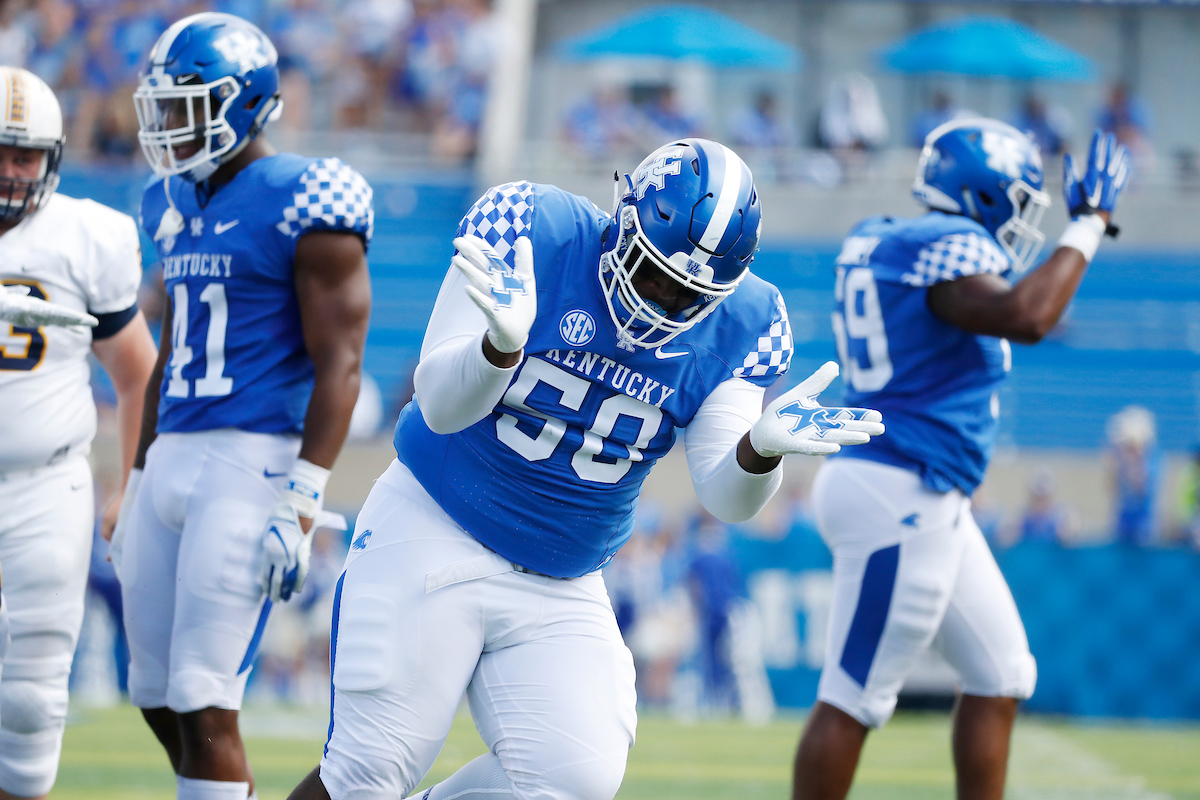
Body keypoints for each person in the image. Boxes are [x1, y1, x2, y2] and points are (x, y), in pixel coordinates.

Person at [286, 137, 884, 800]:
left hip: (562, 577)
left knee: (577, 780)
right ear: (624, 219)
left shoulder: (748, 322)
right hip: (435, 525)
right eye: (655, 274)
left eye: (690, 295)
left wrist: (759, 449)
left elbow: (726, 494)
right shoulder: (532, 232)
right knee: (367, 776)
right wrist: (498, 348)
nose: (663, 303)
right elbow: (440, 404)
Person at [791, 120, 1129, 800]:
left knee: (1001, 673)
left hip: (915, 486)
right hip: (900, 487)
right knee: (852, 696)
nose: (1023, 218)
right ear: (982, 194)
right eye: (1019, 199)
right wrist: (1087, 225)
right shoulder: (947, 243)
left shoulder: (888, 236)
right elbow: (1028, 317)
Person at [110, 13, 372, 800]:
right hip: (173, 459)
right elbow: (168, 350)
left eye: (188, 104)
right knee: (154, 692)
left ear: (245, 103)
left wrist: (302, 494)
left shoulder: (307, 194)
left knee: (203, 692)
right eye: (163, 105)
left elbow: (343, 362)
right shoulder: (174, 203)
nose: (169, 125)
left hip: (249, 458)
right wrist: (137, 474)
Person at [0, 66, 157, 800]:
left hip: (46, 481)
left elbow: (136, 373)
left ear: (52, 160)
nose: (10, 170)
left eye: (23, 154)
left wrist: (130, 483)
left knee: (31, 695)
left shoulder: (86, 236)